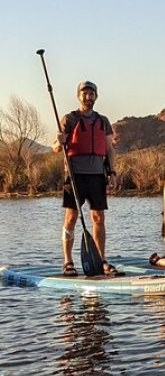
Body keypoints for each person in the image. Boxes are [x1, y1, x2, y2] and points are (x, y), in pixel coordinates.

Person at [52, 81, 120, 277]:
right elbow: (55, 148)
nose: (88, 97)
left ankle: (100, 258)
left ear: (96, 96)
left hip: (97, 176)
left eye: (91, 94)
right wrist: (59, 142)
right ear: (78, 96)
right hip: (75, 176)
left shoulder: (103, 121)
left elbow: (109, 149)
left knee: (98, 218)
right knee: (71, 218)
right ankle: (68, 261)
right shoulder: (69, 119)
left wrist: (113, 173)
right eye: (84, 94)